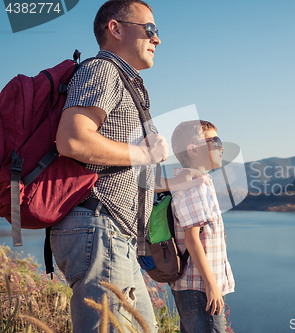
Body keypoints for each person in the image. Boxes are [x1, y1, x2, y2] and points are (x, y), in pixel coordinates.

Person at [52, 1, 201, 331]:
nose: (157, 39)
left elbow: (119, 165)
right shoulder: (102, 70)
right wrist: (145, 154)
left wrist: (172, 180)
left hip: (114, 233)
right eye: (150, 29)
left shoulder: (124, 80)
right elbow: (73, 140)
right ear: (115, 29)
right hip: (100, 227)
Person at [169, 120, 235, 333]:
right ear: (193, 150)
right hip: (200, 288)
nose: (221, 146)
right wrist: (211, 285)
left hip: (195, 288)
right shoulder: (195, 186)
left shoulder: (198, 182)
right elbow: (192, 239)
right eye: (215, 141)